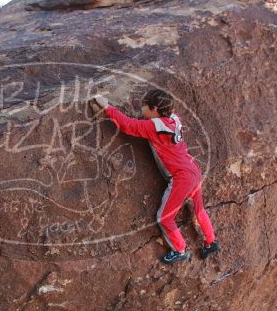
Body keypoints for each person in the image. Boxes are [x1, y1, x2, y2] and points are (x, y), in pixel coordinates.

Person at [90, 90, 219, 264]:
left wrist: (106, 105)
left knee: (164, 217)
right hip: (193, 170)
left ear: (155, 109)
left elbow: (128, 125)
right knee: (199, 209)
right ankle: (211, 241)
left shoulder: (153, 127)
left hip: (181, 177)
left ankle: (179, 249)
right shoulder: (173, 118)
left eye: (145, 106)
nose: (141, 108)